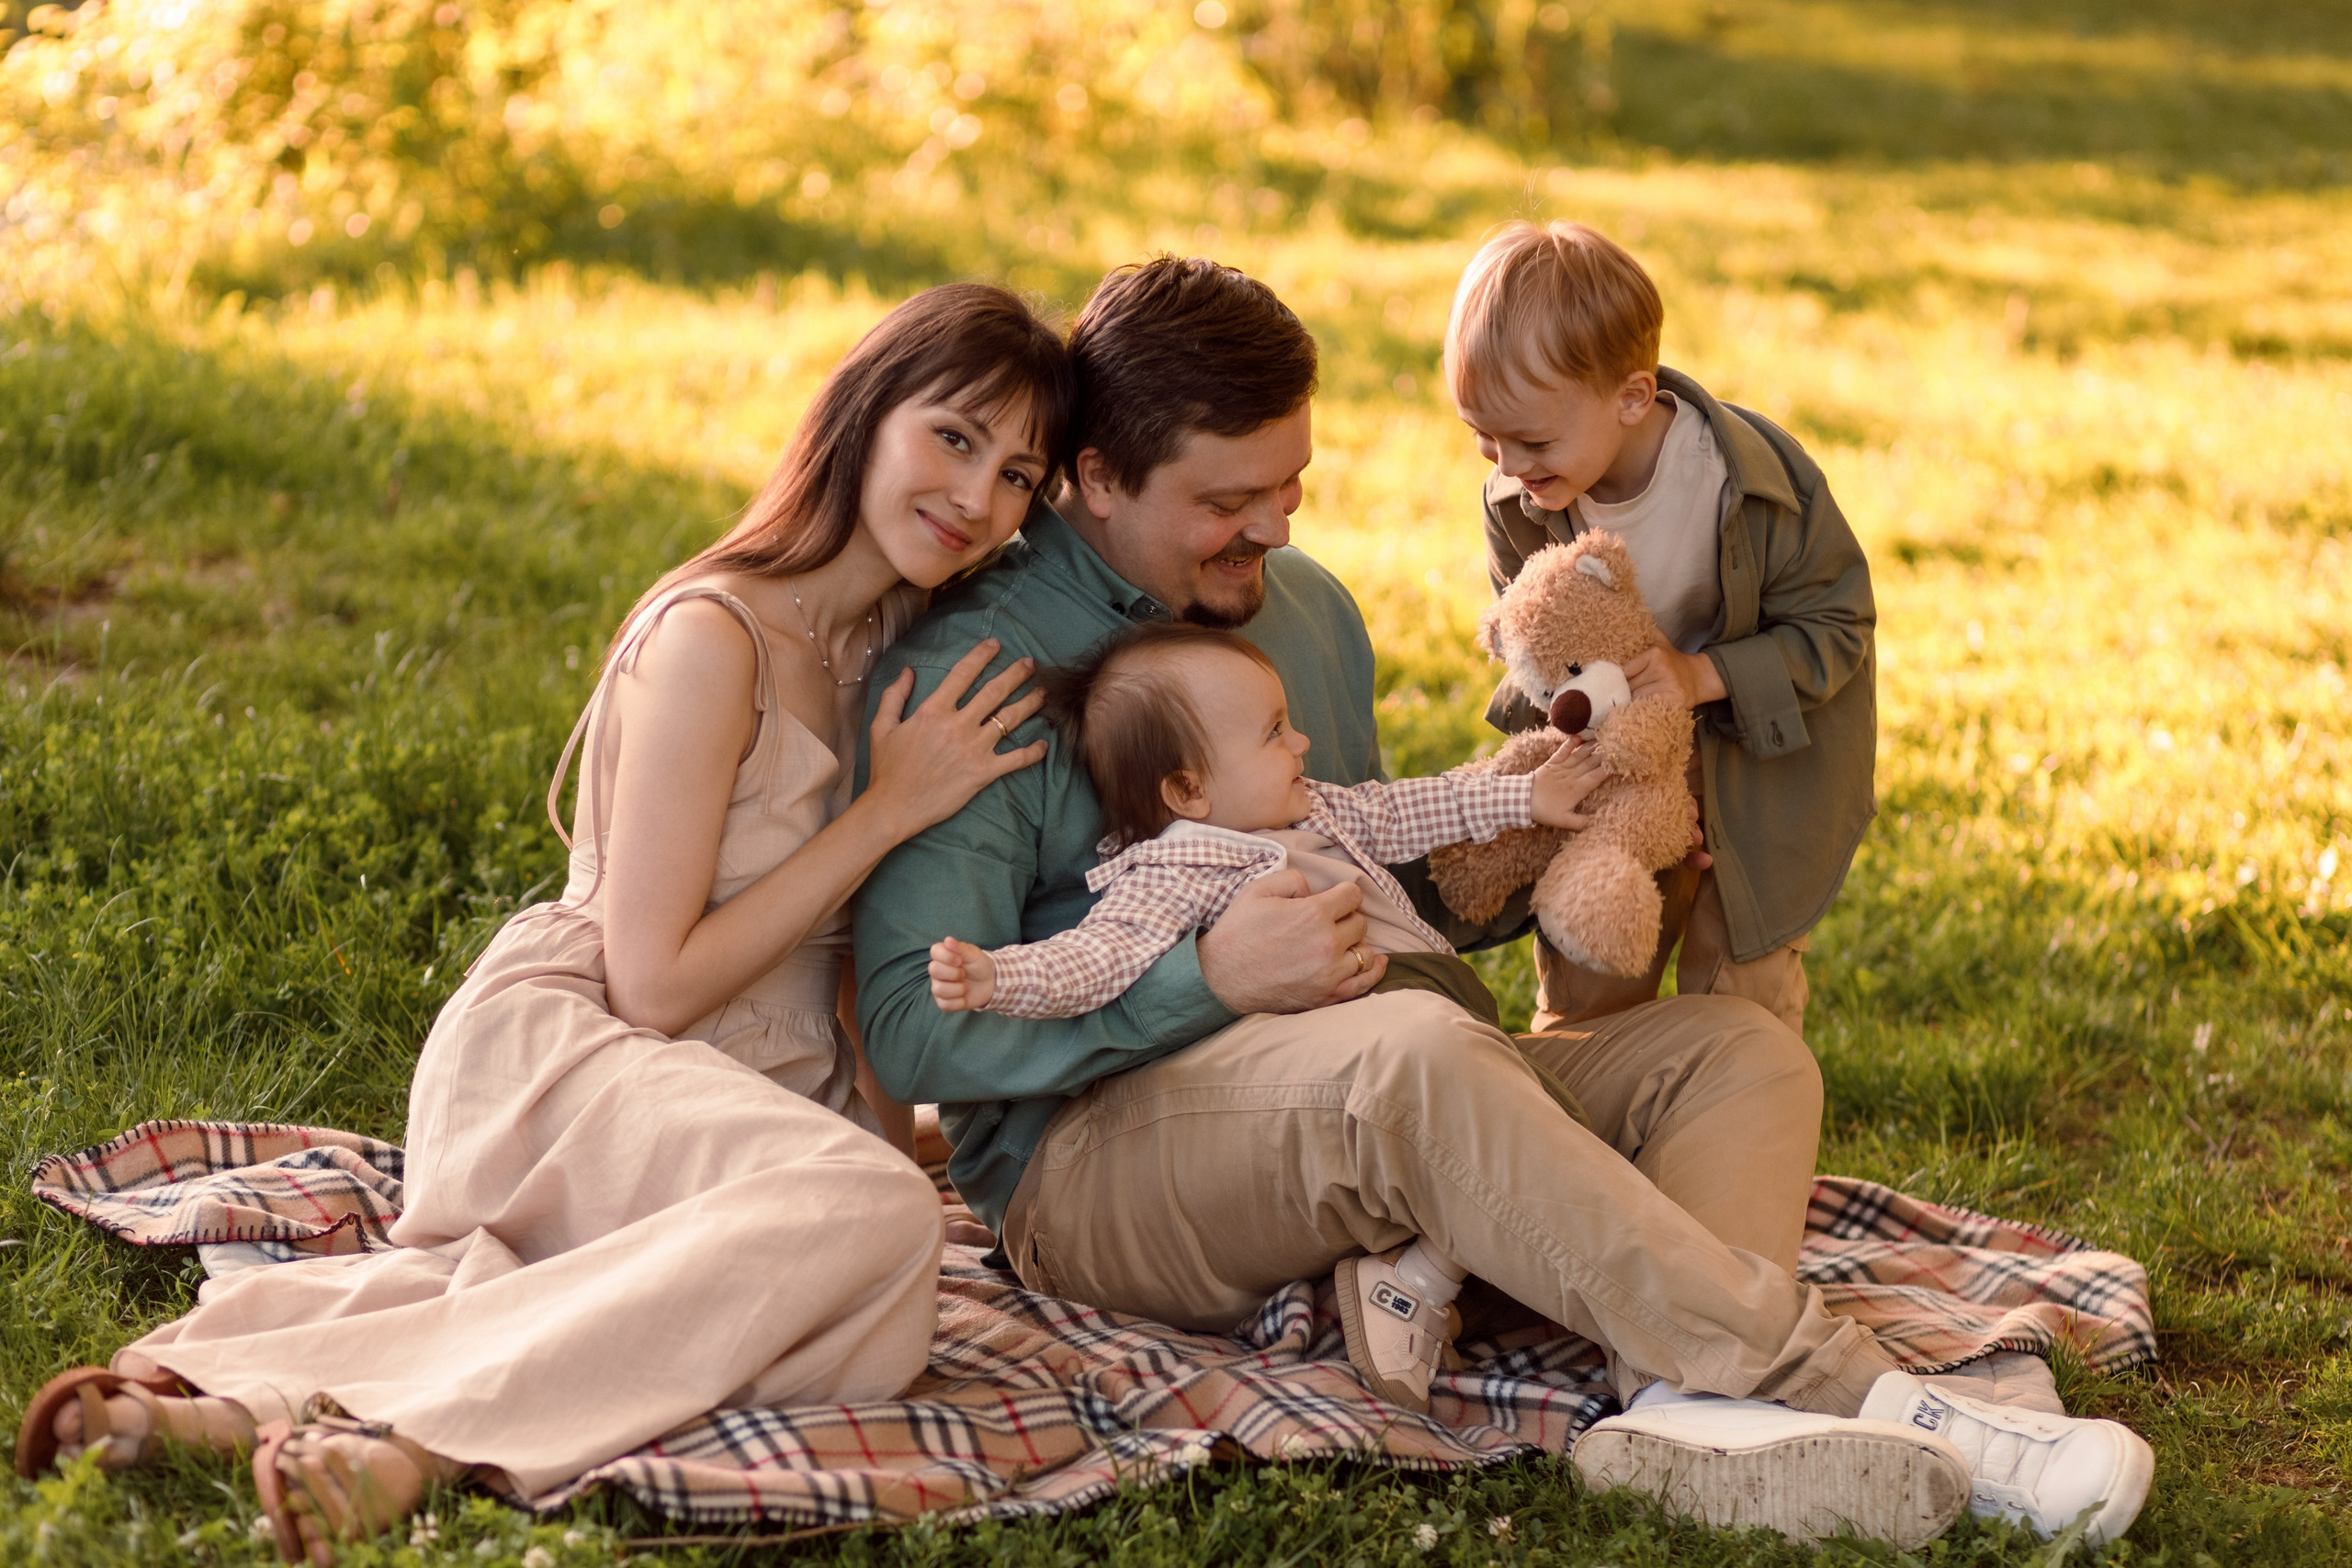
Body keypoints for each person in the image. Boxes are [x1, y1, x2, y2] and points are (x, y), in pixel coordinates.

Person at [853, 256, 2151, 1549]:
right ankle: (1877, 1399)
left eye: (1293, 484)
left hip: (1384, 1072)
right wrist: (1213, 978)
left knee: (1739, 1050)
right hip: (1097, 1171)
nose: (1278, 529)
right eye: (1228, 499)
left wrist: (1540, 824)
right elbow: (911, 1026)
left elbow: (1372, 873)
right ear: (1094, 478)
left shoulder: (1299, 612)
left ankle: (1683, 1411)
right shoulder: (979, 669)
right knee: (1410, 1059)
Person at [14, 283, 1070, 1563]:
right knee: (877, 1227)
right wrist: (887, 811)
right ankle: (410, 1432)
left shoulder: (904, 640)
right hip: (582, 1060)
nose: (980, 497)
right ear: (864, 413)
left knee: (878, 1323)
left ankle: (304, 1429)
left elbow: (853, 961)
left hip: (756, 1109)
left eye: (1018, 473)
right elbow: (656, 980)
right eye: (953, 438)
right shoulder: (712, 633)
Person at [1448, 220, 1875, 1037]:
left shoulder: (1751, 484)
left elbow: (1836, 622)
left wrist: (1699, 677)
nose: (1505, 466)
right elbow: (1543, 649)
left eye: (1530, 440)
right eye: (1482, 440)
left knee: (1739, 984)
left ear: (1633, 397)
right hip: (1620, 761)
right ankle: (1591, 1143)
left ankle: (1742, 1150)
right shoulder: (1521, 500)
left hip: (1758, 754)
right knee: (1594, 956)